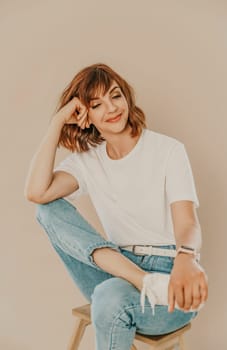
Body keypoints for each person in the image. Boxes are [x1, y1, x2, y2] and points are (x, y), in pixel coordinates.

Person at [24, 63, 208, 350]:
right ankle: (143, 281)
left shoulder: (168, 150)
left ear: (127, 98)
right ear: (84, 115)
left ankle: (149, 283)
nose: (111, 108)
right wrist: (57, 121)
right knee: (46, 209)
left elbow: (187, 223)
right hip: (117, 269)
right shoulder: (88, 161)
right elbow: (36, 192)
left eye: (115, 96)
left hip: (168, 273)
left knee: (109, 297)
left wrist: (187, 258)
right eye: (97, 104)